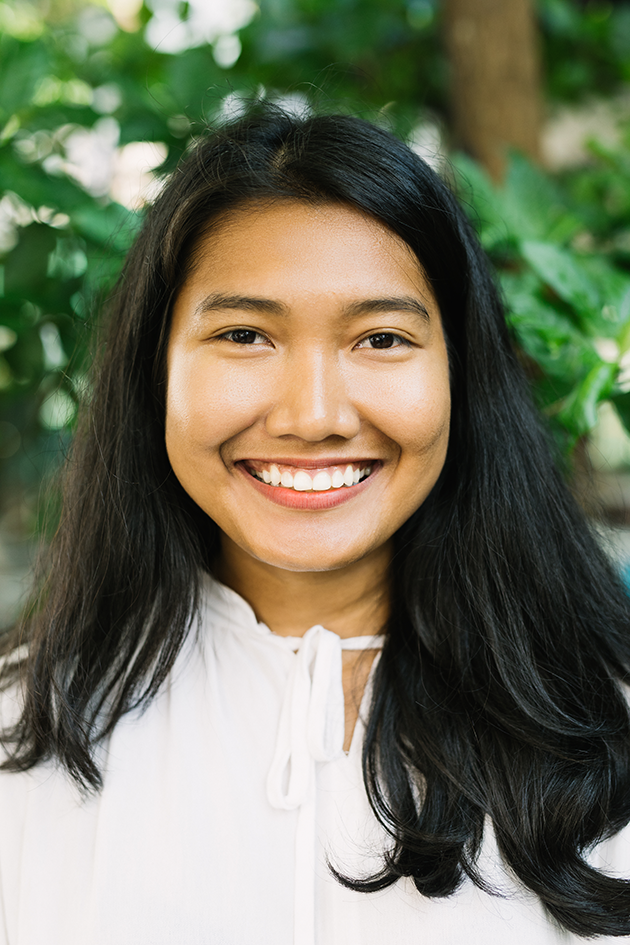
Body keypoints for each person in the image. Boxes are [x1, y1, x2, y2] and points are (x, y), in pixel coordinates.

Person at [0, 105, 629, 945]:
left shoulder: (607, 722)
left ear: (462, 373)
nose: (315, 415)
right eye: (245, 334)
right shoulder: (20, 728)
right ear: (156, 370)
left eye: (379, 337)